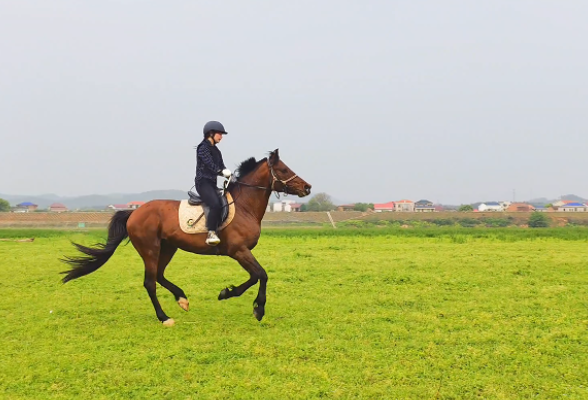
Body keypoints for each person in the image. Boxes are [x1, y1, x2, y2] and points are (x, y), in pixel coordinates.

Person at [195, 121, 232, 246]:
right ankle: (211, 232)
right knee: (215, 204)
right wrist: (220, 171)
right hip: (203, 182)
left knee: (224, 202)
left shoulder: (217, 151)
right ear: (210, 133)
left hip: (212, 183)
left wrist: (230, 175)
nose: (221, 137)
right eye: (219, 134)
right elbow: (209, 164)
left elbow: (221, 166)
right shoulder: (202, 148)